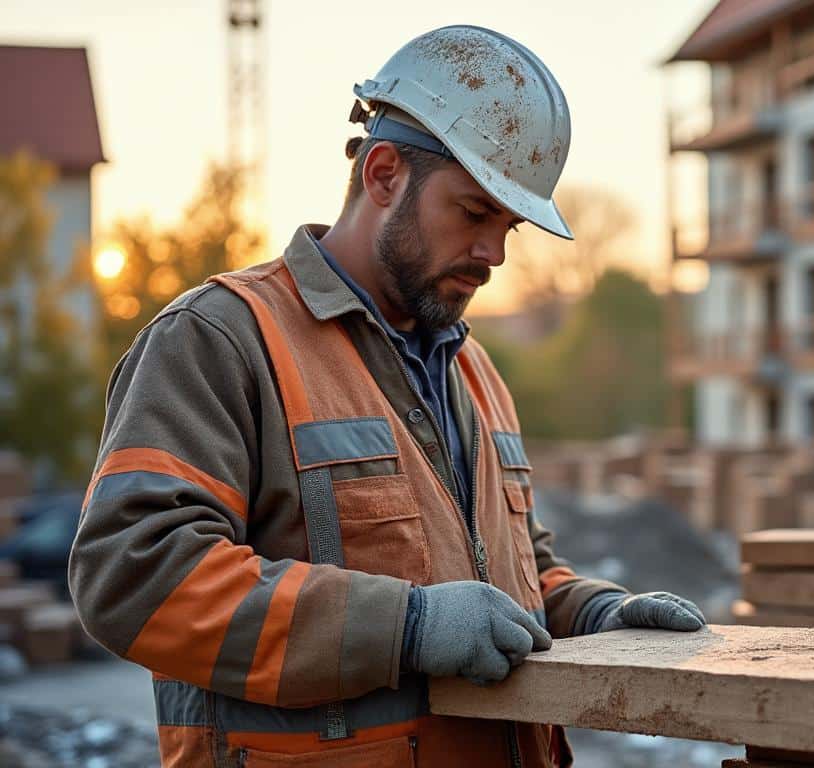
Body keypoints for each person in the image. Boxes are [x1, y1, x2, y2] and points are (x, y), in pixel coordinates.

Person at [68, 25, 705, 768]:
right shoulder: (221, 342)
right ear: (383, 174)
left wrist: (595, 613)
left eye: (509, 226)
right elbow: (132, 574)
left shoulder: (473, 371)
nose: (495, 254)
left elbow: (510, 575)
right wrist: (404, 627)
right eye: (474, 213)